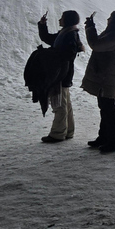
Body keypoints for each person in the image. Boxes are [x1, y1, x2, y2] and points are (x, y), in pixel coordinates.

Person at [82, 10, 115, 153]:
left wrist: (90, 28)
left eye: (111, 17)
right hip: (106, 74)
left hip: (108, 75)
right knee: (105, 107)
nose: (108, 19)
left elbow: (96, 45)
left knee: (108, 108)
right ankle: (104, 137)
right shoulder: (114, 32)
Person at [37, 10, 85, 143]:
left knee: (59, 104)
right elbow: (48, 38)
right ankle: (68, 131)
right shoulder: (67, 33)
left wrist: (51, 54)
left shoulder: (69, 35)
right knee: (65, 103)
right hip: (64, 73)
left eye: (62, 18)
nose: (59, 20)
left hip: (61, 74)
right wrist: (42, 25)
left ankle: (58, 133)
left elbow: (67, 54)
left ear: (67, 20)